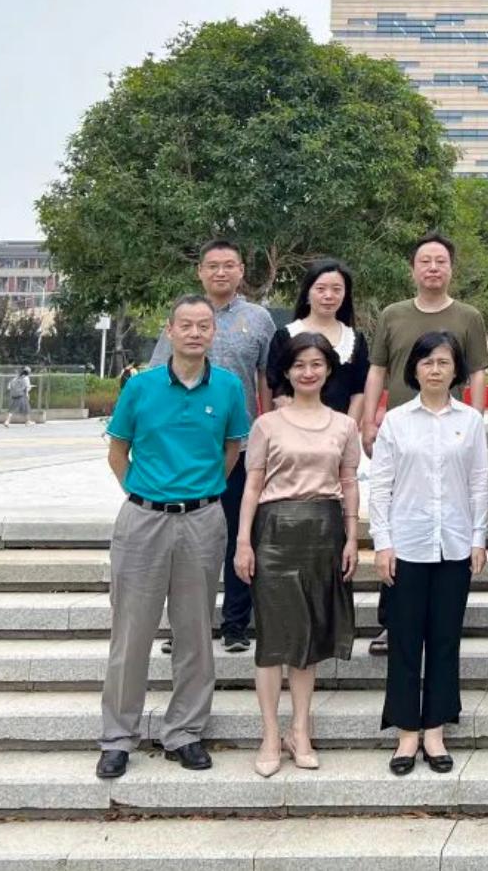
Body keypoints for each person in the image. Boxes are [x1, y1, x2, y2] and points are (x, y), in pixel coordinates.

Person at [95, 296, 249, 779]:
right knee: (131, 634)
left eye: (204, 325)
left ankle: (184, 731)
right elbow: (117, 453)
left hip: (202, 520)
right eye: (186, 325)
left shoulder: (228, 387)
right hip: (143, 520)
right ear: (170, 330)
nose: (195, 333)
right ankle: (118, 737)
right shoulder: (141, 387)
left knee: (195, 631)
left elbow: (231, 451)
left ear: (213, 333)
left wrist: (199, 493)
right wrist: (146, 494)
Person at [232, 332, 359, 777]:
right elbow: (252, 485)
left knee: (309, 639)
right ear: (286, 371)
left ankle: (300, 730)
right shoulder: (267, 424)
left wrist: (351, 537)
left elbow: (349, 482)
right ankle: (270, 734)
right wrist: (243, 541)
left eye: (317, 364)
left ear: (328, 370)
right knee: (273, 639)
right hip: (274, 532)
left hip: (324, 531)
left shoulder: (343, 425)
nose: (308, 372)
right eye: (300, 365)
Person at [361, 233, 488, 657]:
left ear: (451, 268)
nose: (433, 268)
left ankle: (440, 623)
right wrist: (369, 419)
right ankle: (393, 622)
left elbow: (477, 372)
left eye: (440, 261)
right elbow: (378, 369)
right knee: (397, 518)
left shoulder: (468, 316)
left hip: (450, 429)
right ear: (413, 269)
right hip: (402, 433)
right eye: (425, 261)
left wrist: (472, 420)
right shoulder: (393, 314)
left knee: (442, 516)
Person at [367, 331, 488, 776]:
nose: (435, 370)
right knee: (404, 641)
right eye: (427, 362)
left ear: (456, 370)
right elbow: (380, 486)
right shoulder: (396, 422)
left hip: (454, 544)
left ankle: (435, 729)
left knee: (444, 639)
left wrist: (478, 538)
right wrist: (382, 542)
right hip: (407, 545)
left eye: (443, 362)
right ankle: (406, 732)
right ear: (414, 369)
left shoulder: (470, 421)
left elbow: (478, 483)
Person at [149, 239, 275, 654]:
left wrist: (267, 429)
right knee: (186, 540)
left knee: (240, 532)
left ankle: (236, 624)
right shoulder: (185, 316)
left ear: (242, 271)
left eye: (229, 265)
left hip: (240, 445)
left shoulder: (258, 319)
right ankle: (186, 626)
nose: (221, 272)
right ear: (200, 271)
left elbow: (266, 379)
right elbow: (158, 378)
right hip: (188, 450)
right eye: (213, 266)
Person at [266, 259, 370, 422]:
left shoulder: (356, 340)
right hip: (294, 428)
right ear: (307, 293)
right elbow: (277, 386)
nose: (328, 296)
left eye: (337, 289)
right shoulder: (285, 336)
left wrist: (346, 429)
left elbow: (359, 391)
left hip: (341, 430)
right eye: (320, 289)